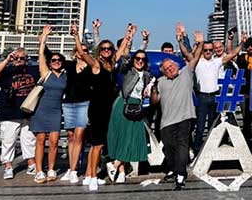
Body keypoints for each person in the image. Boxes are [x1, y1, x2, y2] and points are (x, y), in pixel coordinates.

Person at [71, 25, 116, 191]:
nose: (106, 50)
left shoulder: (111, 64)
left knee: (97, 144)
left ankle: (90, 175)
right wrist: (76, 36)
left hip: (107, 108)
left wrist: (129, 36)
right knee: (97, 144)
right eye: (103, 48)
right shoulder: (96, 65)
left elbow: (123, 49)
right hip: (97, 108)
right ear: (99, 50)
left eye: (109, 48)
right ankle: (93, 178)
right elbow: (82, 54)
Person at [107, 24, 153, 183]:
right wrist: (128, 38)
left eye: (143, 59)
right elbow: (125, 57)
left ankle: (117, 167)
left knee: (131, 138)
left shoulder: (147, 74)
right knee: (124, 137)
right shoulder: (127, 70)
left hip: (137, 107)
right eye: (137, 59)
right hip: (124, 105)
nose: (140, 61)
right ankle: (118, 168)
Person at [0, 47, 38, 179]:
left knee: (29, 140)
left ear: (26, 59)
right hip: (9, 112)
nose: (18, 60)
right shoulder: (6, 71)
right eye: (16, 58)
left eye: (21, 58)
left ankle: (31, 164)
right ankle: (8, 166)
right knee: (8, 140)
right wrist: (7, 59)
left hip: (28, 111)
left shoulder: (33, 70)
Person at [150, 58, 196, 189]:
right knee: (169, 146)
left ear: (176, 65)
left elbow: (195, 58)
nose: (169, 69)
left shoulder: (185, 74)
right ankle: (173, 167)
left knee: (182, 144)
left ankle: (181, 174)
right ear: (163, 72)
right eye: (166, 68)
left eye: (171, 66)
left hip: (185, 117)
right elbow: (154, 101)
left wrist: (199, 44)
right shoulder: (160, 82)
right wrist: (153, 90)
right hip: (166, 121)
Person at [30, 25, 67, 183]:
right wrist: (44, 37)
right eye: (54, 60)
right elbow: (41, 54)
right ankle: (39, 170)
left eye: (59, 60)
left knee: (54, 142)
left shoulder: (66, 76)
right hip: (41, 111)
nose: (57, 62)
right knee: (40, 141)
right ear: (50, 63)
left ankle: (51, 169)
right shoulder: (46, 73)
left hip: (55, 112)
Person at [60, 29, 93, 184]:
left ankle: (73, 170)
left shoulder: (91, 67)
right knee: (71, 136)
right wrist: (44, 39)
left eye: (85, 50)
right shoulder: (70, 65)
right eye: (80, 50)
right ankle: (70, 168)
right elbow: (48, 58)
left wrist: (76, 38)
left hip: (83, 104)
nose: (82, 52)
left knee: (79, 136)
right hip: (68, 104)